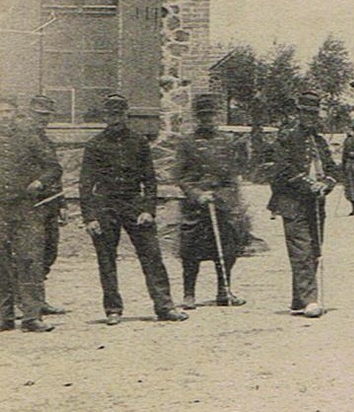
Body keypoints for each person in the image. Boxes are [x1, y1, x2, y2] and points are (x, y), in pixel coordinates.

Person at [80, 92, 186, 324]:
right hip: (105, 206)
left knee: (152, 255)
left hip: (134, 205)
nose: (114, 119)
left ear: (126, 114)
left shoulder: (138, 142)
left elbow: (149, 180)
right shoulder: (94, 145)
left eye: (118, 114)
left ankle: (165, 306)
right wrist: (89, 217)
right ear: (105, 117)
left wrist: (148, 209)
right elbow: (86, 184)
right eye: (110, 115)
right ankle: (113, 309)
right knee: (106, 260)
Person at [173, 93, 249, 308]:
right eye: (203, 116)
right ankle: (189, 294)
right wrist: (198, 194)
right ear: (198, 118)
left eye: (211, 116)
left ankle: (224, 291)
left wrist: (222, 197)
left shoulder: (226, 142)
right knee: (190, 251)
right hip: (195, 207)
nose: (208, 120)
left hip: (222, 204)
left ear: (216, 117)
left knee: (227, 248)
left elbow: (232, 176)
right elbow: (180, 176)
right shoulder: (187, 143)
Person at [267, 89, 337, 316]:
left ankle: (299, 299)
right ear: (298, 113)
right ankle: (310, 300)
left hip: (316, 204)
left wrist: (326, 184)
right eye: (306, 113)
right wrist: (309, 185)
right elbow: (282, 170)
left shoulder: (319, 141)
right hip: (292, 202)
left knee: (315, 249)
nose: (310, 117)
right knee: (301, 251)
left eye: (314, 113)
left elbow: (332, 170)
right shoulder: (287, 137)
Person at [0, 93, 62, 332]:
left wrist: (39, 183)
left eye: (8, 112)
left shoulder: (29, 137)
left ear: (16, 113)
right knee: (2, 262)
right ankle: (4, 317)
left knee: (30, 260)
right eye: (0, 113)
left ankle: (31, 316)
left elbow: (53, 168)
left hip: (26, 209)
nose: (4, 117)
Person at [25, 95, 67, 315]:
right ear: (29, 113)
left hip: (50, 203)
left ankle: (38, 300)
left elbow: (55, 173)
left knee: (49, 251)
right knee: (30, 254)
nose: (43, 120)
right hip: (30, 205)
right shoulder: (19, 139)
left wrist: (62, 204)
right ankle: (23, 302)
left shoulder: (47, 141)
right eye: (39, 115)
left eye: (47, 116)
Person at [340, 122, 354, 216]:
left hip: (350, 164)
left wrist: (343, 166)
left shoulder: (348, 139)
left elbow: (344, 155)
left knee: (351, 186)